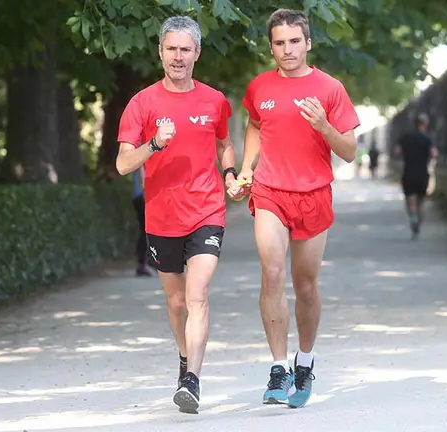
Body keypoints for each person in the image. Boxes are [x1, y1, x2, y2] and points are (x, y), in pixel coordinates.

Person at [227, 8, 360, 409]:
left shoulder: (330, 88)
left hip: (314, 193)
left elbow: (350, 152)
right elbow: (254, 124)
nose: (287, 50)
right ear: (271, 47)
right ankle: (278, 367)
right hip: (269, 191)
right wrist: (247, 170)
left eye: (294, 42)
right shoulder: (260, 86)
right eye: (279, 43)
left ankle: (305, 362)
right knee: (272, 271)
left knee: (305, 284)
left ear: (308, 43)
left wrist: (324, 126)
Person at [115, 15, 238, 414]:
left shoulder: (214, 100)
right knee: (177, 301)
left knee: (197, 294)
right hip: (162, 217)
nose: (178, 57)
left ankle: (192, 380)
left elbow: (224, 144)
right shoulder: (142, 103)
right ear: (161, 52)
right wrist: (154, 143)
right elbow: (122, 165)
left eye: (186, 49)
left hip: (207, 210)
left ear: (197, 53)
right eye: (172, 49)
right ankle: (185, 359)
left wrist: (231, 174)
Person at [393, 112, 438, 239]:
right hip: (423, 174)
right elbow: (434, 154)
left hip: (408, 173)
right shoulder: (427, 139)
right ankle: (418, 219)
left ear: (414, 123)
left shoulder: (405, 137)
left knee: (410, 201)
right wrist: (431, 164)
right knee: (421, 203)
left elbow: (397, 151)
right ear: (426, 124)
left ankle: (412, 216)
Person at [131, 167, 152, 277]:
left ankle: (144, 262)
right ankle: (143, 263)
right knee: (147, 229)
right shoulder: (144, 151)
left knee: (145, 229)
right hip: (143, 195)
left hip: (139, 195)